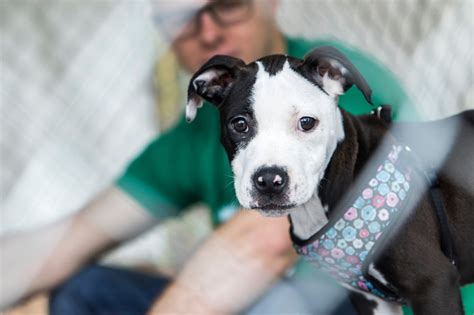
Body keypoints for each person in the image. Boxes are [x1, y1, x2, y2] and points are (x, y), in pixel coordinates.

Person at [0, 0, 418, 314]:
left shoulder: (330, 85)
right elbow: (70, 239)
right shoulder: (196, 133)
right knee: (86, 292)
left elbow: (265, 247)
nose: (207, 31)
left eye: (228, 4)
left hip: (373, 300)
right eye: (180, 17)